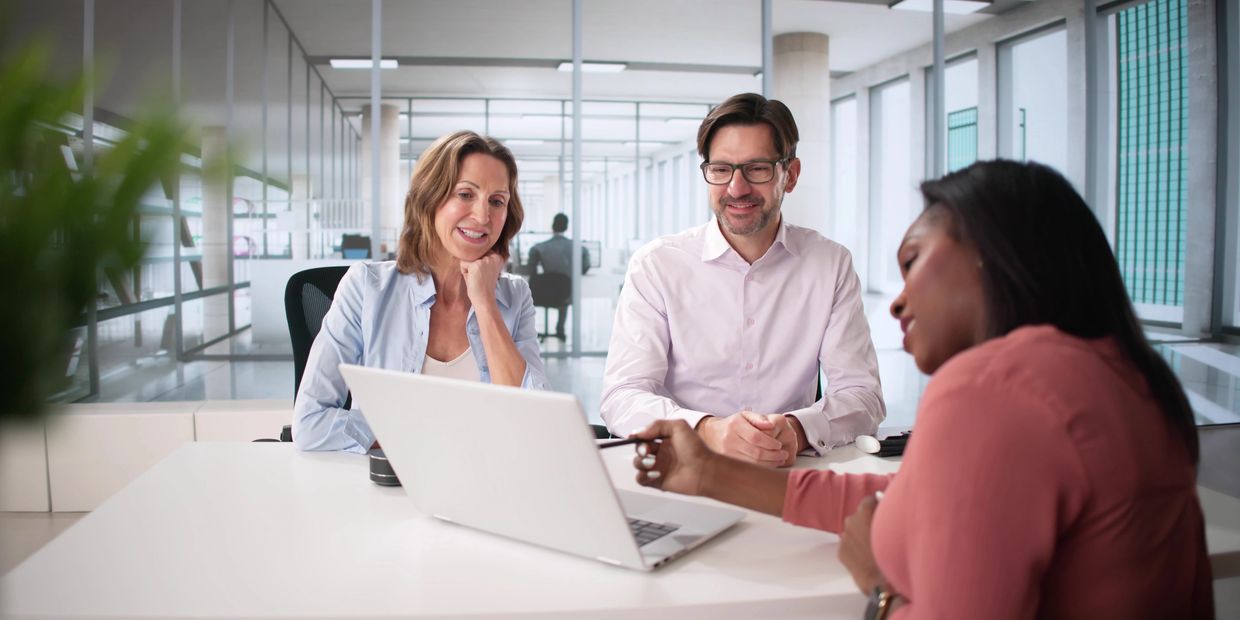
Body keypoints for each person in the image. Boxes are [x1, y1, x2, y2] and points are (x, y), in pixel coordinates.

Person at [629, 160, 1214, 618]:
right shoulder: (1124, 382)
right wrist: (711, 472)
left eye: (913, 263)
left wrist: (879, 584)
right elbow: (912, 496)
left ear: (991, 257)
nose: (900, 301)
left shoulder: (993, 387)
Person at [600, 92, 884, 466]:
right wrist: (707, 430)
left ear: (790, 175)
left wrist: (798, 430)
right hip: (682, 470)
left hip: (785, 472)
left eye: (757, 169)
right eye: (721, 169)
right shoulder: (657, 265)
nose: (737, 188)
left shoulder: (829, 264)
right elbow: (623, 395)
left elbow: (862, 394)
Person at [292, 131, 550, 453]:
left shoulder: (514, 297)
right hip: (391, 486)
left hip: (485, 486)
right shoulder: (366, 287)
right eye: (465, 194)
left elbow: (532, 420)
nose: (483, 216)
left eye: (497, 201)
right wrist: (413, 444)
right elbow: (311, 422)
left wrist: (485, 303)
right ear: (430, 198)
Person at [527, 212, 590, 339]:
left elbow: (530, 268)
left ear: (552, 227)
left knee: (549, 289)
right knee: (565, 291)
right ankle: (560, 329)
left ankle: (533, 329)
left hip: (543, 292)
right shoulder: (579, 248)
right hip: (565, 293)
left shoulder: (539, 247)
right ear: (566, 228)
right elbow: (585, 267)